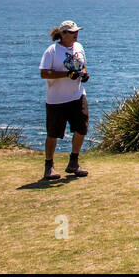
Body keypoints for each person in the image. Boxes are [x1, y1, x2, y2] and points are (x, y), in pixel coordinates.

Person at [38, 20, 90, 181]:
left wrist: (83, 73)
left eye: (77, 31)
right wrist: (65, 75)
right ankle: (49, 166)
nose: (76, 34)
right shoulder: (52, 51)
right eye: (72, 32)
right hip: (56, 100)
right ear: (62, 34)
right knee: (53, 133)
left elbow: (83, 66)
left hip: (77, 95)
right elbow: (44, 73)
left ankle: (73, 162)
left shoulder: (79, 47)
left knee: (82, 128)